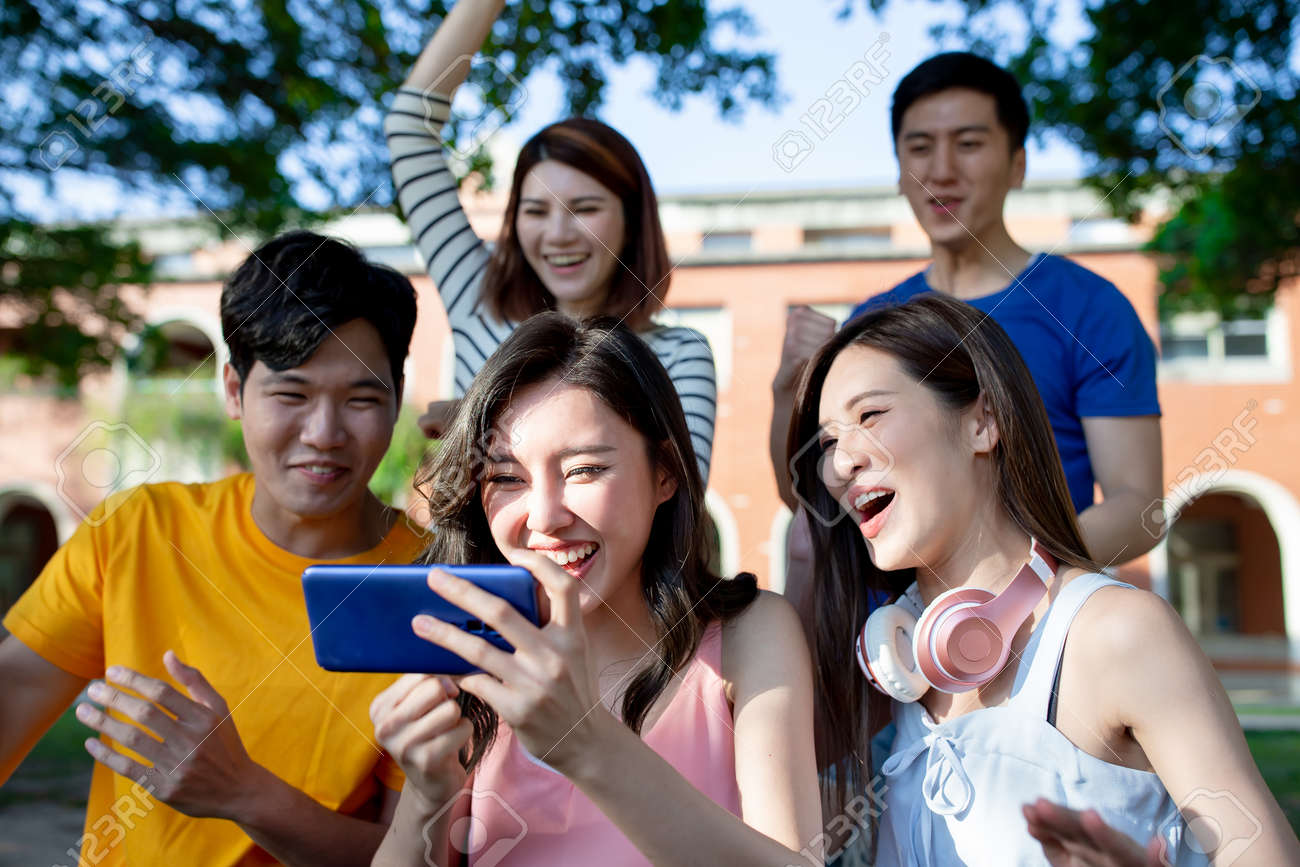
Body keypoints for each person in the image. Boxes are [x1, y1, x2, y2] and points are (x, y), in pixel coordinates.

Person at [787, 293, 1299, 865]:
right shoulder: (897, 662)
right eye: (828, 441)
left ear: (984, 422)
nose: (839, 463)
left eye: (870, 416)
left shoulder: (1117, 633)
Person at [0, 231, 425, 866]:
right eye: (291, 394)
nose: (324, 434)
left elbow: (412, 855)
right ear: (233, 389)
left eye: (362, 399)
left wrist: (243, 793)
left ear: (396, 400)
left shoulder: (432, 581)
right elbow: (14, 694)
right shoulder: (139, 531)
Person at [367, 313, 825, 866]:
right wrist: (427, 793)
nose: (544, 517)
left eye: (583, 470)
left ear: (666, 474)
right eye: (507, 478)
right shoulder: (471, 651)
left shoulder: (749, 634)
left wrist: (584, 741)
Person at [771, 51, 1162, 575]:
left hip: (1033, 632)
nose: (942, 170)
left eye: (969, 144)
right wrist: (785, 395)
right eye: (920, 147)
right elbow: (810, 501)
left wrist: (1010, 583)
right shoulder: (872, 322)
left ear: (1018, 164)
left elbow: (1139, 509)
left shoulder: (1089, 308)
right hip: (893, 633)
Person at [384, 0, 718, 482]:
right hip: (466, 562)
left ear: (631, 221)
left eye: (584, 210)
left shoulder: (679, 355)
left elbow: (678, 505)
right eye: (535, 211)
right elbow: (409, 128)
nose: (558, 235)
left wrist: (477, 420)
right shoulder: (478, 299)